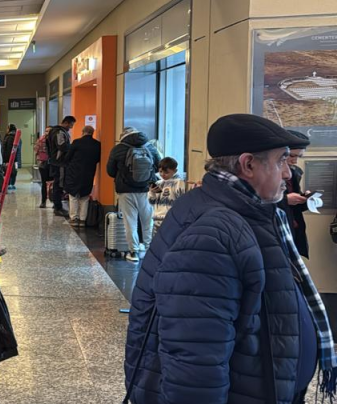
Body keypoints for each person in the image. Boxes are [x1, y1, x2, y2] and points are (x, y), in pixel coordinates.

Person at [125, 114, 337, 404]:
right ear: (248, 164)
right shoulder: (212, 234)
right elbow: (195, 361)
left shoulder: (246, 211)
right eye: (281, 161)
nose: (288, 174)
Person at [107, 127, 161, 261]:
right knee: (148, 220)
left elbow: (110, 171)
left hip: (125, 190)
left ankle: (134, 252)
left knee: (130, 222)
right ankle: (149, 249)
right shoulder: (150, 147)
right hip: (146, 189)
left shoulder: (118, 149)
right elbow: (158, 166)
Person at [280, 130, 311, 258]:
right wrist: (284, 200)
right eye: (292, 156)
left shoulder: (295, 173)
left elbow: (295, 208)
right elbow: (255, 203)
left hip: (293, 229)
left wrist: (304, 200)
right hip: (277, 230)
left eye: (299, 157)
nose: (295, 161)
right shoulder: (265, 174)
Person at [63, 126, 101, 227]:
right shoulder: (97, 144)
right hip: (89, 173)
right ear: (92, 133)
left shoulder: (77, 142)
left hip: (74, 172)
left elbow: (67, 157)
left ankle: (74, 218)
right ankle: (83, 220)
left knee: (73, 195)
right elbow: (98, 159)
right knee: (85, 196)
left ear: (83, 132)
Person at [47, 116, 76, 216]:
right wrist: (73, 147)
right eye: (71, 125)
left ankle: (57, 205)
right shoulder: (59, 132)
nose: (71, 127)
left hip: (57, 161)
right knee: (58, 185)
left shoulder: (56, 131)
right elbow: (62, 146)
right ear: (66, 123)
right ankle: (58, 207)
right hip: (60, 162)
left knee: (58, 184)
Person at [148, 157, 187, 230]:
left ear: (175, 171)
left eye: (166, 172)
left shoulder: (179, 182)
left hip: (171, 220)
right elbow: (152, 202)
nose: (162, 174)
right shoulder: (158, 183)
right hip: (157, 220)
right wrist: (151, 192)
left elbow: (181, 202)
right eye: (160, 172)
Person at [36, 126, 53, 208]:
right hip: (44, 164)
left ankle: (54, 201)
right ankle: (43, 201)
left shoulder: (53, 140)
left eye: (49, 131)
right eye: (46, 131)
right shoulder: (41, 140)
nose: (47, 133)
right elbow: (36, 150)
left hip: (52, 164)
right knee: (44, 183)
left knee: (54, 183)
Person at [1, 124, 23, 190]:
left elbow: (9, 149)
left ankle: (9, 184)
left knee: (9, 172)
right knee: (14, 172)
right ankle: (12, 184)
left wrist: (7, 160)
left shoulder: (9, 137)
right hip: (16, 159)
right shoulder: (17, 137)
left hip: (10, 159)